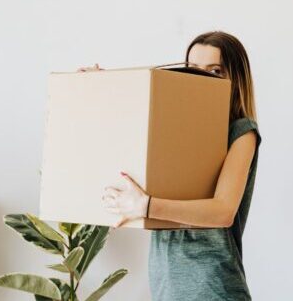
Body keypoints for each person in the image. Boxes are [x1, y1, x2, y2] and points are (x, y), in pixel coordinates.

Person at [87, 31, 260, 300]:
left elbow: (222, 211)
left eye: (214, 71)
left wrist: (147, 206)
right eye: (192, 70)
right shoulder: (175, 131)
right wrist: (100, 90)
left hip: (212, 287)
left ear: (234, 79)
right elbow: (125, 137)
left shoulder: (241, 132)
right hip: (166, 285)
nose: (201, 80)